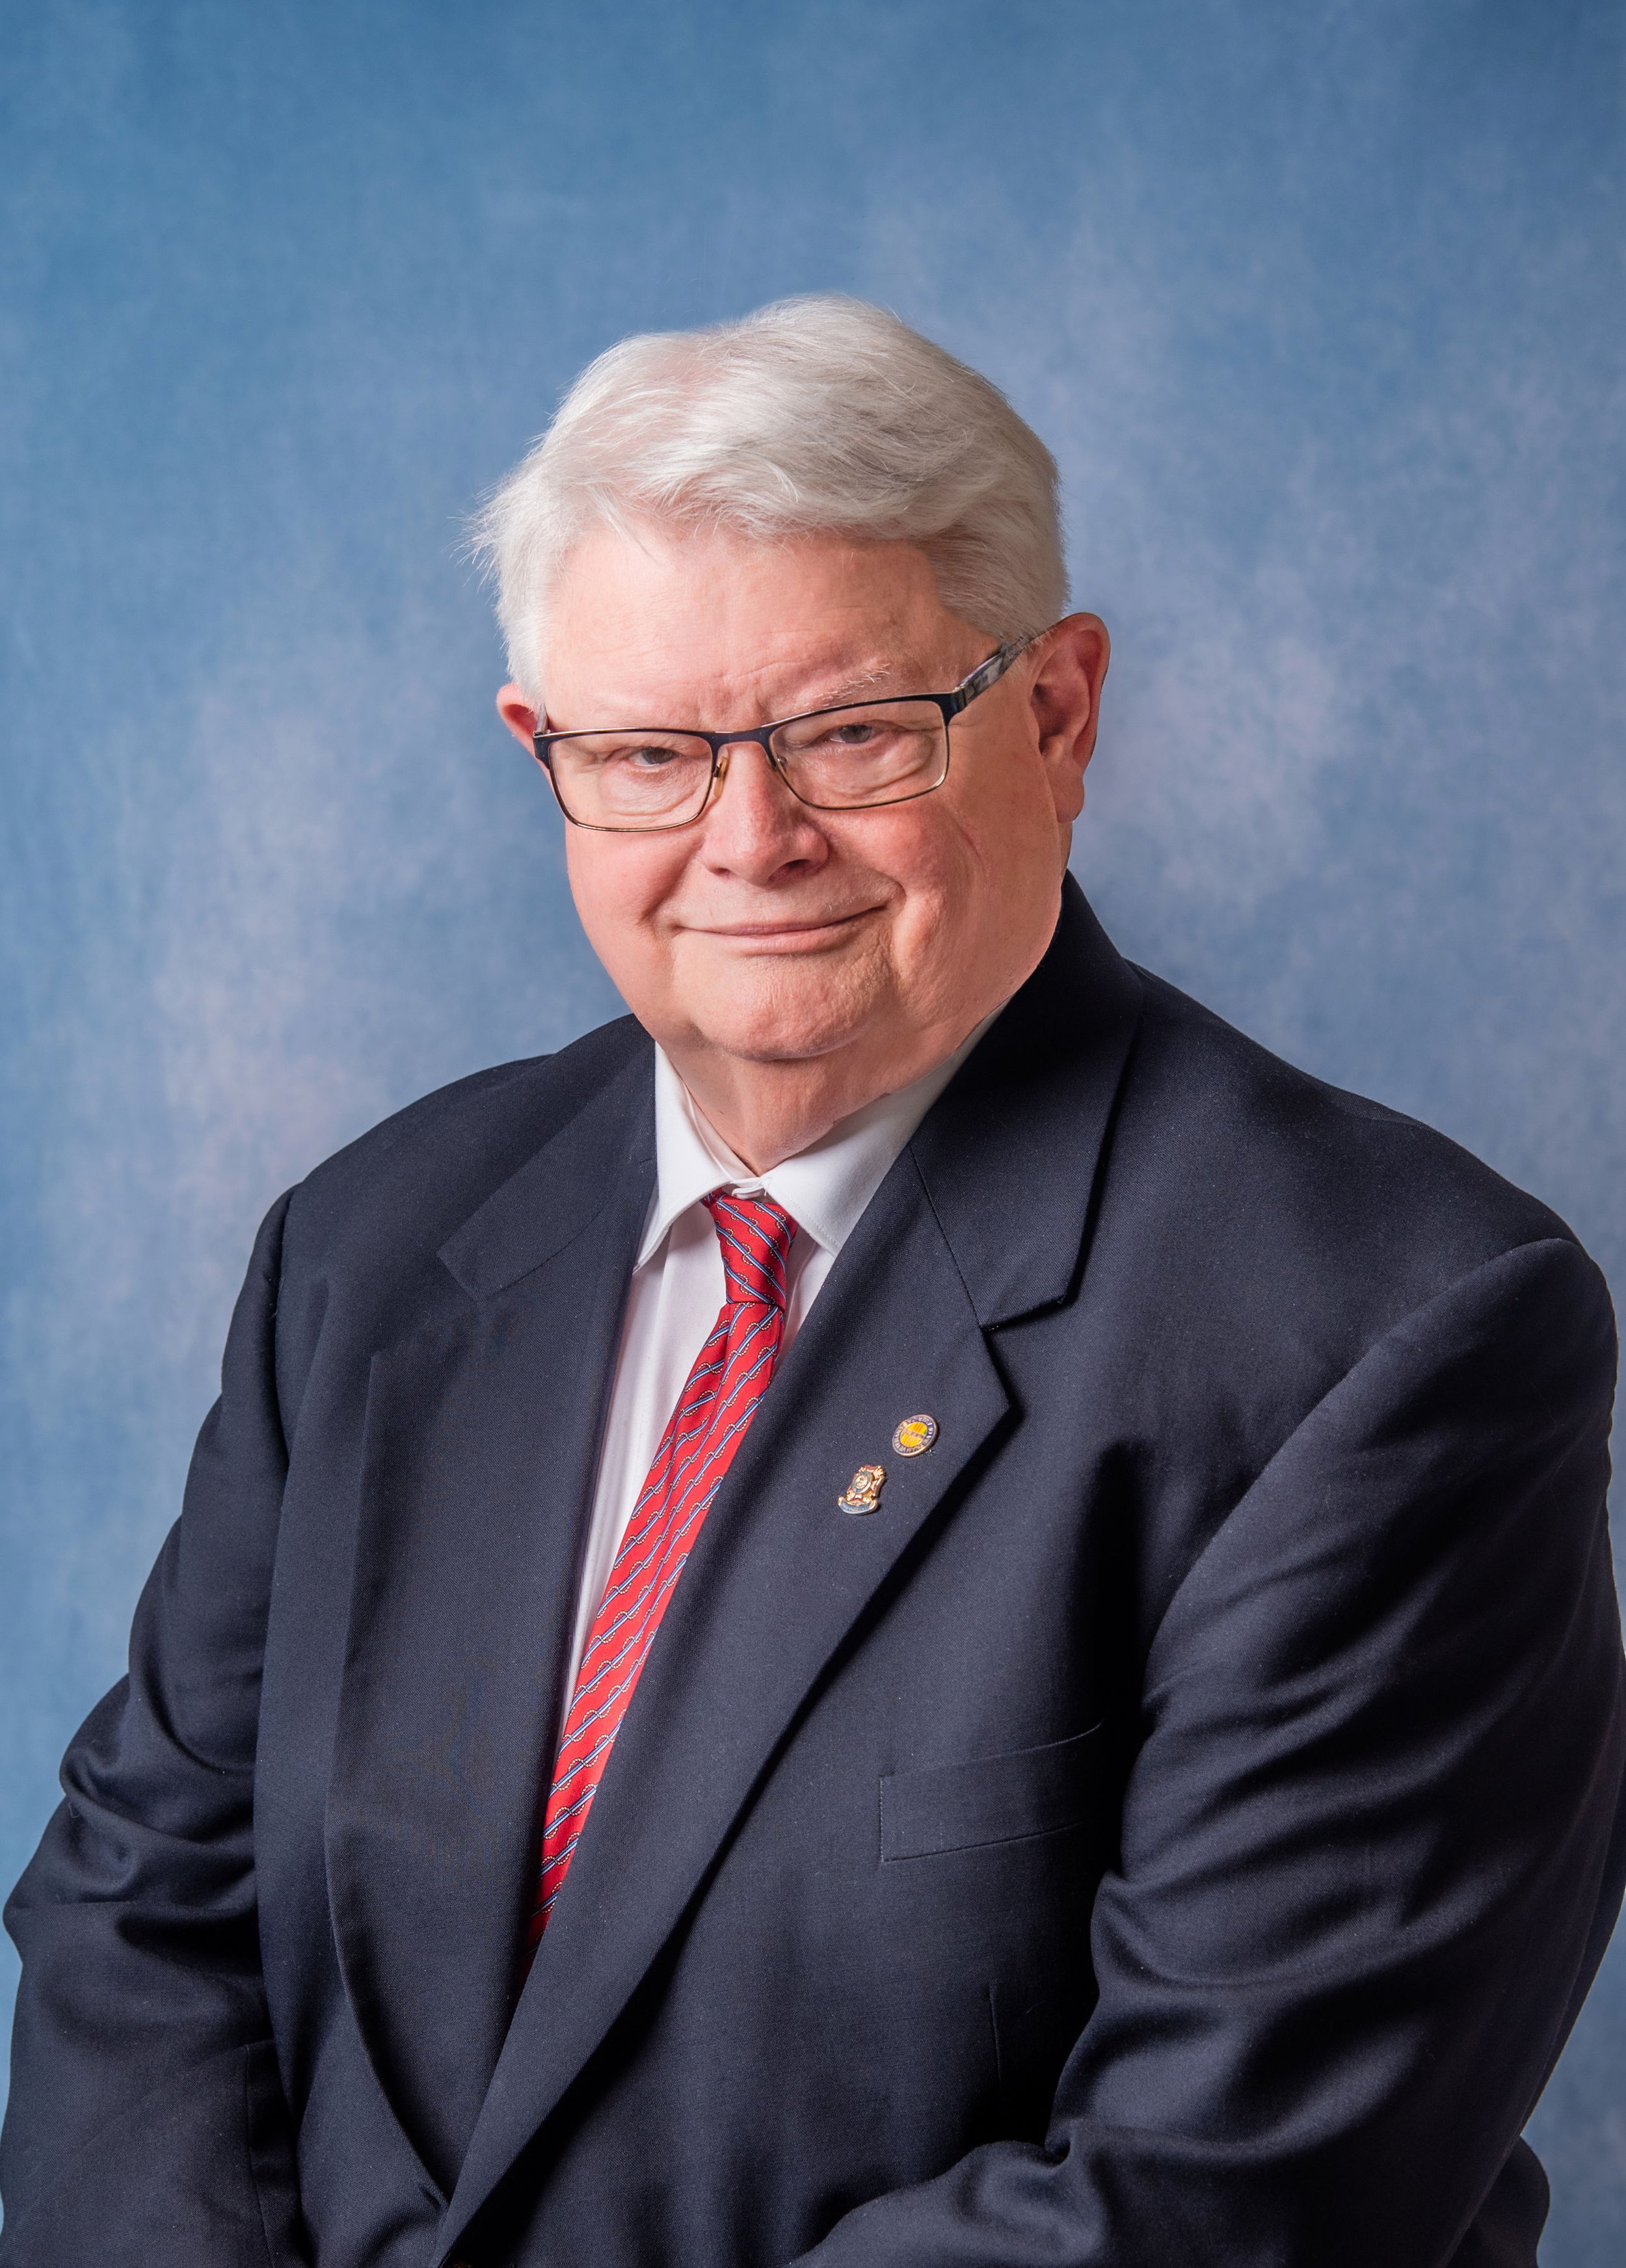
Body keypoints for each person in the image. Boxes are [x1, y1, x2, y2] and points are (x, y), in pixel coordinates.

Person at [3, 296, 1622, 2268]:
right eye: (648, 755)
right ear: (546, 759)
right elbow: (146, 1916)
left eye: (849, 731)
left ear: (1055, 714)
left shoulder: (1387, 1331)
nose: (747, 840)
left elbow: (1221, 2200)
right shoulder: (369, 1245)